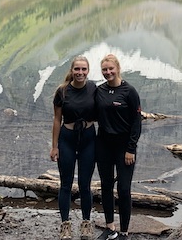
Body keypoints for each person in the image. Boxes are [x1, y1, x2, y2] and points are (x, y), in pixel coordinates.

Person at [95, 53, 142, 240]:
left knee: (123, 189)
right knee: (106, 186)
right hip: (104, 145)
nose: (108, 72)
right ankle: (110, 228)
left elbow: (137, 122)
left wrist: (131, 148)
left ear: (118, 68)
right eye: (104, 70)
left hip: (124, 148)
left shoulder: (129, 91)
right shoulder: (99, 90)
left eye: (110, 69)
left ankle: (123, 232)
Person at [51, 56, 97, 240]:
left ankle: (86, 223)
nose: (80, 73)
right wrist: (54, 147)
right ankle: (65, 225)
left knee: (85, 185)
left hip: (88, 139)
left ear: (88, 70)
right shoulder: (62, 92)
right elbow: (56, 120)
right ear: (72, 70)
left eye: (83, 69)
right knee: (66, 184)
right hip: (67, 139)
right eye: (77, 69)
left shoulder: (94, 88)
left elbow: (106, 109)